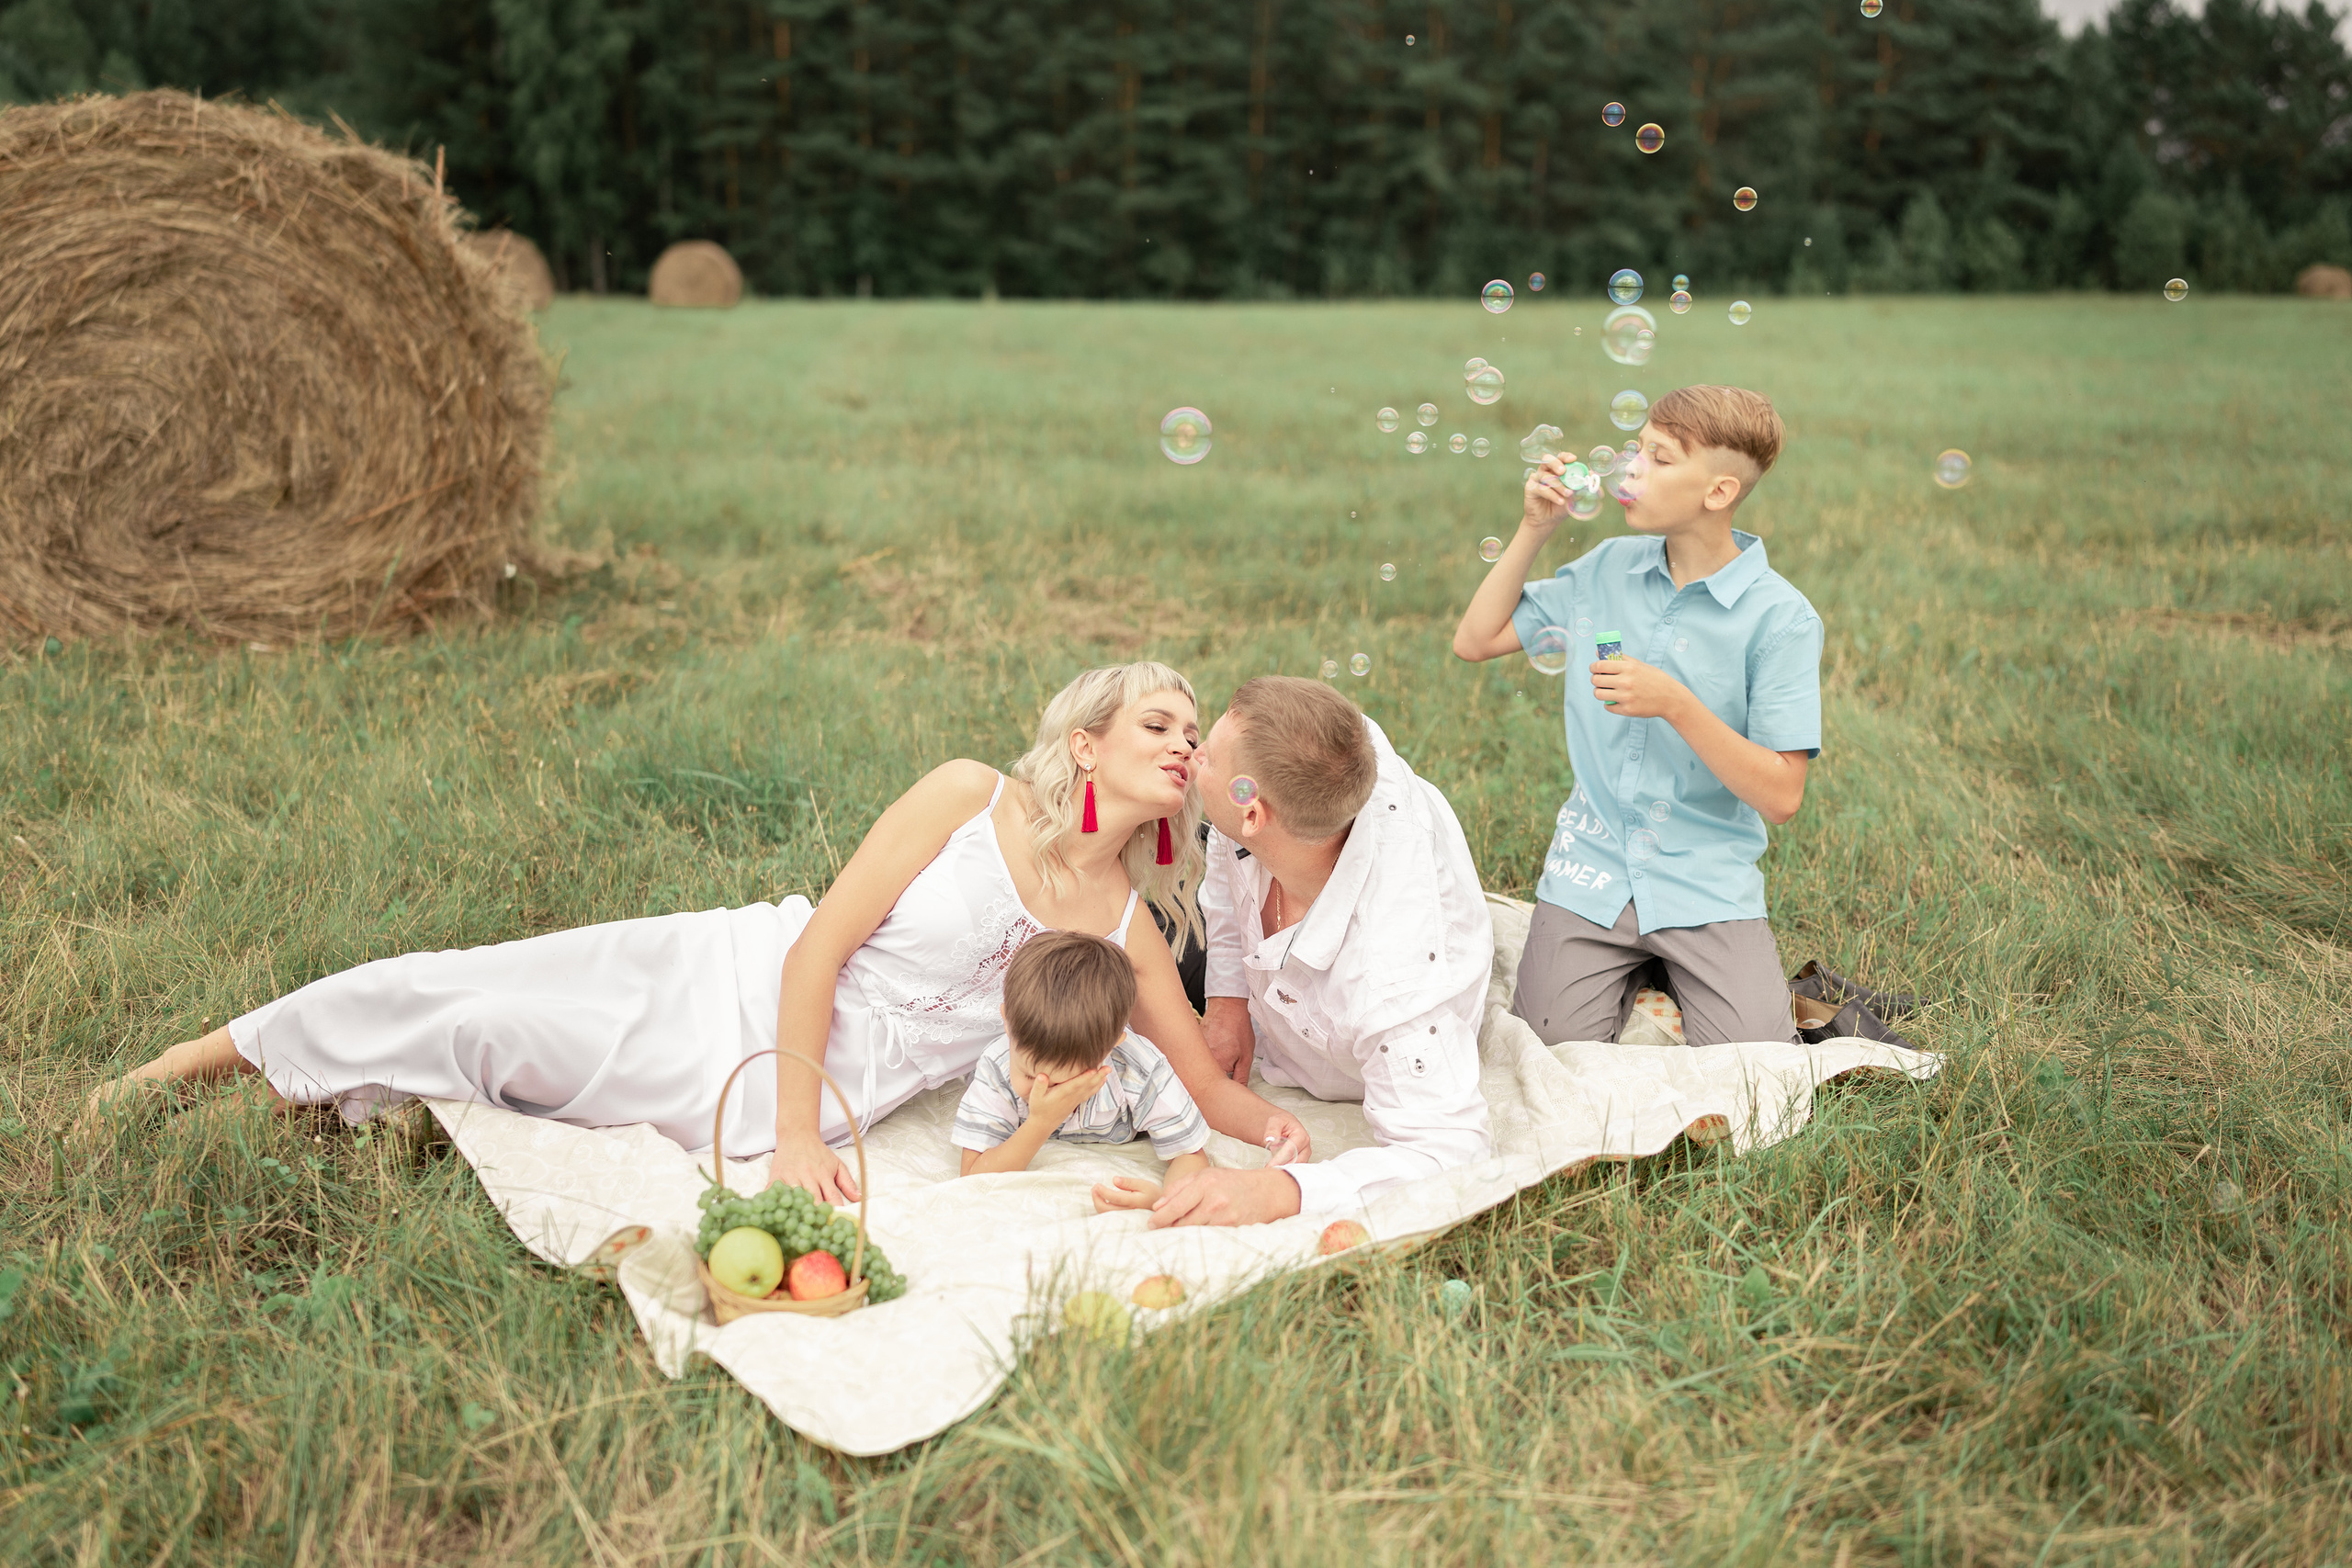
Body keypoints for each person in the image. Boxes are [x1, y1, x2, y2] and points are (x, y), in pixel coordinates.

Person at [79, 661, 1312, 1203]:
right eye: (1157, 720)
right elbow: (821, 946)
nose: (1181, 741)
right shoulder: (965, 794)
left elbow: (1204, 1084)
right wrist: (794, 1135)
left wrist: (1282, 1132)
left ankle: (293, 1102)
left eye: (1191, 730)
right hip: (738, 973)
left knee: (496, 1041)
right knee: (453, 983)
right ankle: (171, 1074)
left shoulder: (1125, 926)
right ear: (1084, 744)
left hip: (805, 1081)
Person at [1450, 384, 1823, 1048]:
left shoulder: (1781, 618)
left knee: (1753, 1062)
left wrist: (1676, 703)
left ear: (1718, 492)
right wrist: (1535, 528)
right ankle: (1649, 970)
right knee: (1550, 1046)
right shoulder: (1606, 570)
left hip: (1703, 877)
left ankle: (1669, 968)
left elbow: (1782, 795)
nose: (1631, 469)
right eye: (1636, 449)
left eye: (1659, 458)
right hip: (1591, 866)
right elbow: (1475, 640)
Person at [1096, 676, 1497, 1226]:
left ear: (1253, 815)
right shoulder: (1321, 758)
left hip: (1352, 1045)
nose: (1194, 752)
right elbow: (1228, 863)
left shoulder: (1390, 983)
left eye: (1209, 756)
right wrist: (1228, 1001)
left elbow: (1452, 1152)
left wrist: (1279, 1192)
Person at [952, 929, 1211, 1211]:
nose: (1046, 1091)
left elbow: (1189, 1154)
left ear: (1111, 1046)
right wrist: (1041, 1121)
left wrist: (1165, 1201)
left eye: (1066, 1082)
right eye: (1029, 1075)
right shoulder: (998, 1064)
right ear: (1007, 1023)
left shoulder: (1139, 1067)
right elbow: (974, 1175)